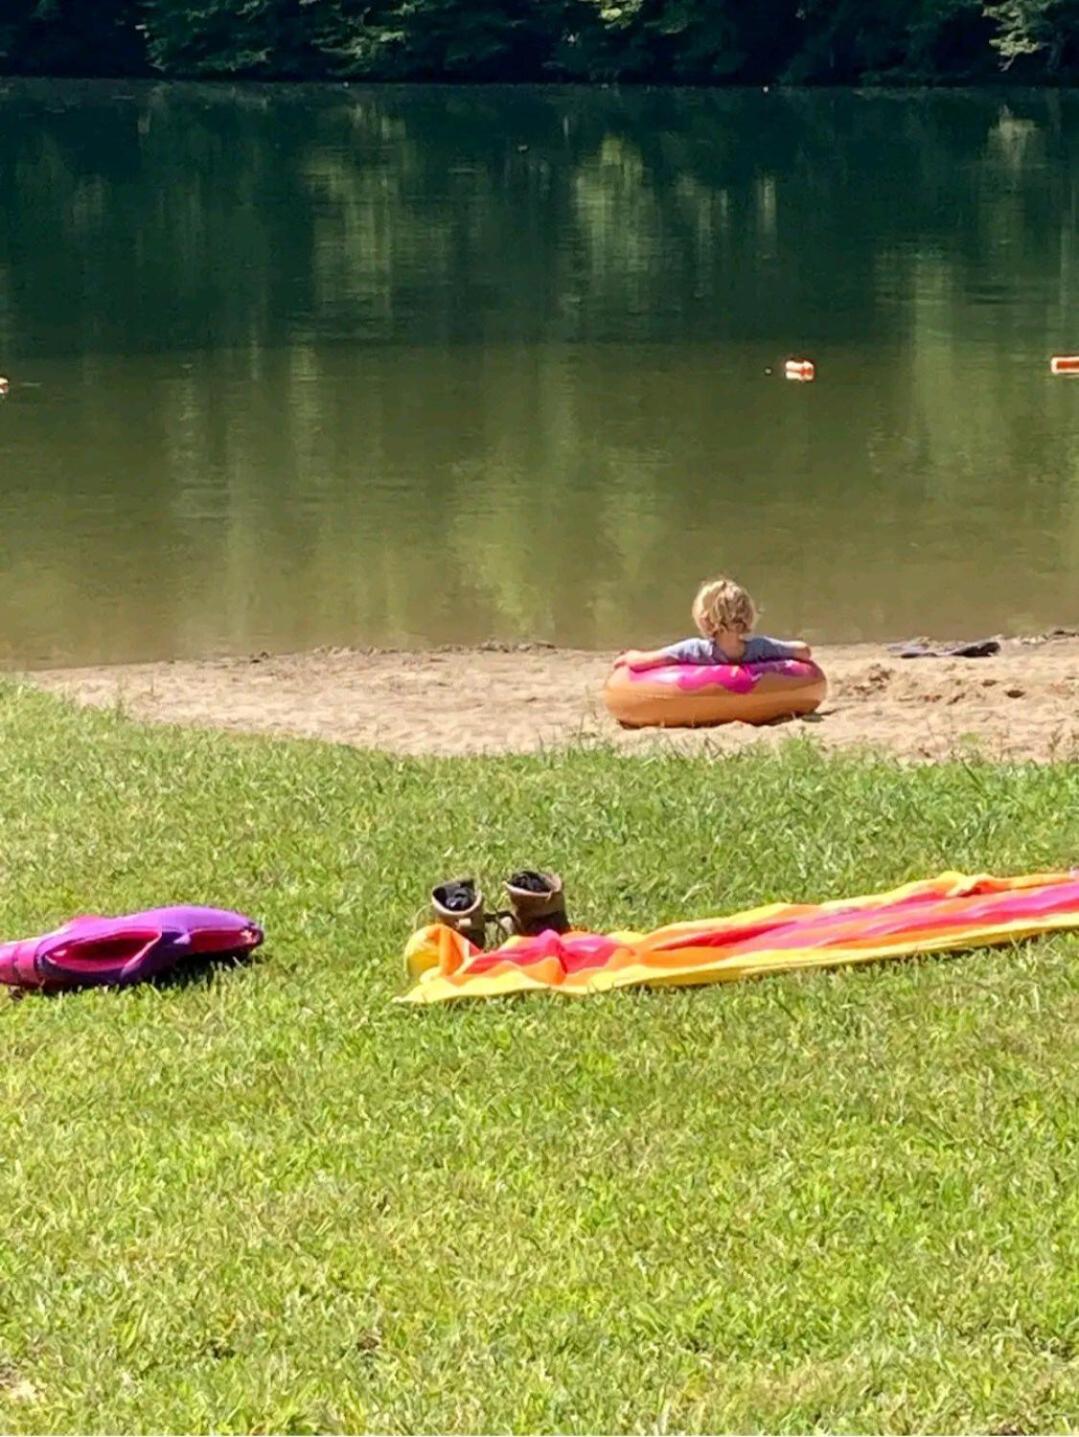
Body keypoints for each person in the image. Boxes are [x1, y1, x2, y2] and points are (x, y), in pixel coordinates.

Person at [616, 576, 812, 671]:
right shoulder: (760, 648)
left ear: (705, 619)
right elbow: (803, 651)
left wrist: (630, 656)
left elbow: (643, 662)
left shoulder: (693, 650)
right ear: (747, 615)